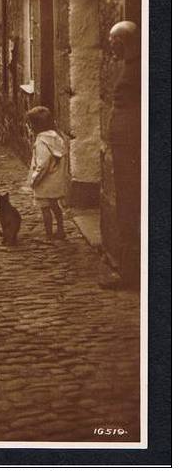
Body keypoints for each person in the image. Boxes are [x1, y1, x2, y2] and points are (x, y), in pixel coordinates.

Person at [100, 20, 141, 291]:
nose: (110, 46)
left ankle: (131, 274)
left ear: (123, 41)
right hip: (123, 144)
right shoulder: (129, 65)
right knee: (127, 204)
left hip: (131, 146)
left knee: (129, 205)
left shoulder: (138, 69)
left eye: (114, 41)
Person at [26, 106, 68, 242]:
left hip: (44, 181)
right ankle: (61, 230)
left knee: (45, 208)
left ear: (35, 126)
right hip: (56, 179)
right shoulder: (57, 138)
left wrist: (34, 180)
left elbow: (42, 164)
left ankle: (49, 234)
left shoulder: (41, 142)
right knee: (55, 205)